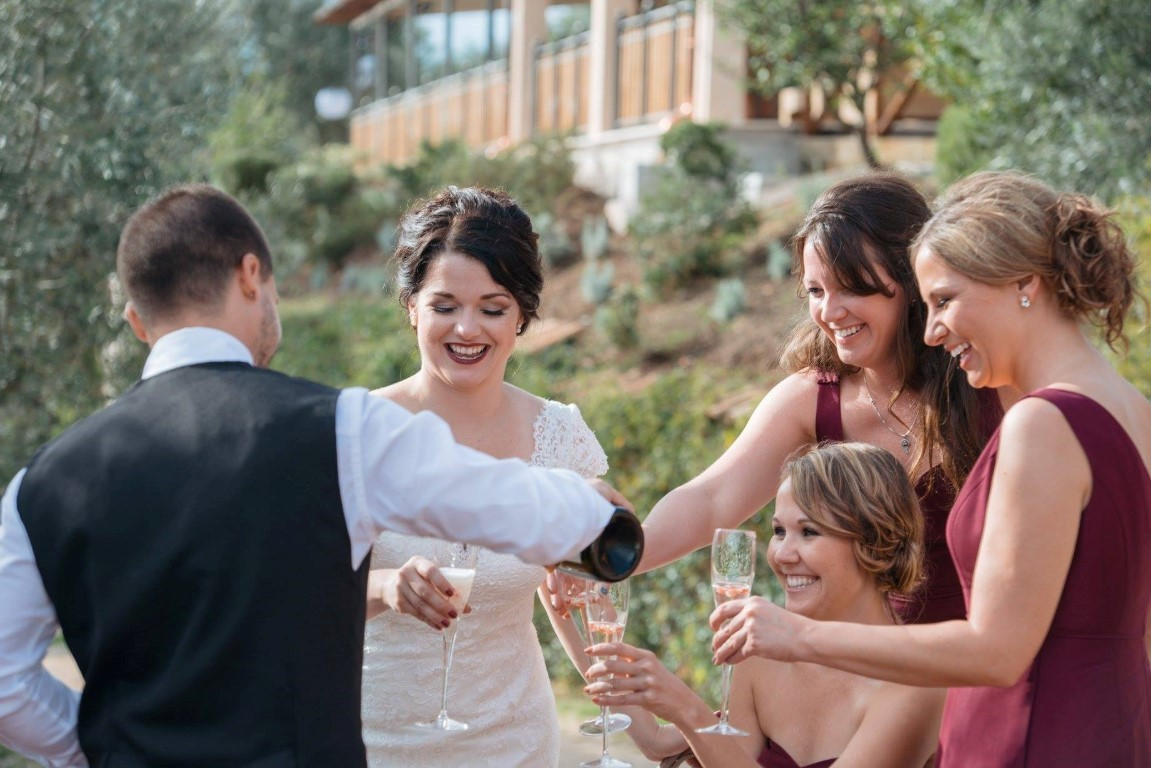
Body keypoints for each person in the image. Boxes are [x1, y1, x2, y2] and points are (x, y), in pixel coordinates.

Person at [0, 184, 631, 768]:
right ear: (252, 276)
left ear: (137, 323)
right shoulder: (339, 429)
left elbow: (5, 683)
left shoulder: (38, 486)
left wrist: (105, 746)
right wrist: (593, 519)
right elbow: (475, 494)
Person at [710, 171, 1151, 766]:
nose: (932, 329)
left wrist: (800, 636)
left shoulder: (1040, 423)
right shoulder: (1133, 410)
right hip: (1115, 729)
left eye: (944, 300)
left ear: (1025, 284)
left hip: (1029, 734)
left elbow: (996, 650)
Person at [633, 171, 1006, 624]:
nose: (829, 312)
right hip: (862, 662)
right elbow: (712, 498)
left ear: (911, 280)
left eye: (851, 286)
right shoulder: (811, 399)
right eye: (815, 290)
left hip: (994, 653)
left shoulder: (989, 381)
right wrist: (617, 555)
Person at [360, 186, 608, 766]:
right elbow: (298, 593)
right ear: (412, 307)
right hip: (369, 738)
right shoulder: (356, 432)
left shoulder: (560, 437)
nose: (467, 329)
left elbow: (569, 597)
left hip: (514, 743)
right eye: (445, 306)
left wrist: (642, 726)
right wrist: (385, 587)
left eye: (492, 309)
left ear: (522, 315)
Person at [584, 443, 944, 767]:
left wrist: (686, 709)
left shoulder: (915, 684)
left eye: (809, 532)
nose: (782, 555)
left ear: (876, 541)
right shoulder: (759, 656)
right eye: (779, 531)